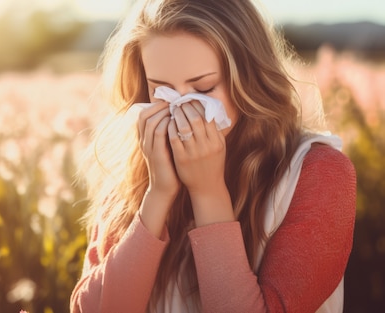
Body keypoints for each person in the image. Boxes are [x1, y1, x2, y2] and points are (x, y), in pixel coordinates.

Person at [70, 0, 356, 312]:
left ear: (249, 82)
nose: (181, 108)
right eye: (161, 90)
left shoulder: (317, 174)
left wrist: (208, 192)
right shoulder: (136, 170)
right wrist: (157, 195)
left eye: (203, 89)